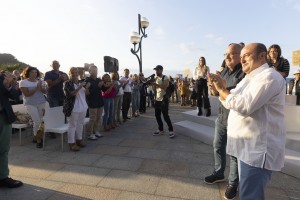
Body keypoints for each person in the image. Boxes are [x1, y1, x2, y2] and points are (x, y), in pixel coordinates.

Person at [210, 43, 286, 200]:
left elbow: (244, 106)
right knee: (247, 193)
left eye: (246, 55)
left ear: (262, 56)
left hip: (256, 151)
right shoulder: (249, 78)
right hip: (246, 148)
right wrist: (220, 88)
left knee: (250, 196)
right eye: (242, 55)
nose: (242, 59)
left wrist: (222, 90)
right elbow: (230, 102)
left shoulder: (269, 77)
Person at [205, 43, 245, 199]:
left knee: (234, 153)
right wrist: (213, 88)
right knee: (217, 145)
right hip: (221, 117)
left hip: (236, 120)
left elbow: (235, 96)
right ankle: (219, 172)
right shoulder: (225, 72)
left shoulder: (244, 73)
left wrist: (220, 88)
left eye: (231, 54)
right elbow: (219, 94)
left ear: (241, 56)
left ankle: (233, 182)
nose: (227, 57)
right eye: (225, 54)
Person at [0, 71, 23, 188]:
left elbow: (15, 96)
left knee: (3, 148)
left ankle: (3, 177)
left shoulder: (3, 78)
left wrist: (8, 86)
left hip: (3, 117)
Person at [19, 67, 47, 148]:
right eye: (32, 72)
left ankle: (36, 137)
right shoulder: (23, 82)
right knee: (37, 121)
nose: (34, 74)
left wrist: (41, 87)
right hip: (30, 104)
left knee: (41, 121)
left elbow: (45, 92)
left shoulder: (40, 81)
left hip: (41, 102)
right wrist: (37, 88)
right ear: (27, 73)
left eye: (35, 72)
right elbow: (27, 94)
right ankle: (38, 140)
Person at [63, 67, 88, 151]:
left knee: (80, 124)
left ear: (78, 73)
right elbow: (71, 94)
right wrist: (80, 87)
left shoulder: (81, 82)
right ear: (69, 74)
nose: (74, 74)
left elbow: (87, 93)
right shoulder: (67, 83)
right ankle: (71, 143)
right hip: (73, 108)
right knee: (72, 125)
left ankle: (79, 139)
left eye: (76, 72)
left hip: (83, 107)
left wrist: (87, 87)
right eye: (72, 72)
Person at [152, 65, 174, 138]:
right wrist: (153, 84)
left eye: (157, 70)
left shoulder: (165, 77)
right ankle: (160, 129)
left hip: (164, 99)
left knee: (165, 116)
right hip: (157, 99)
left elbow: (164, 87)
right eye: (155, 70)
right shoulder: (156, 78)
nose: (156, 71)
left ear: (161, 70)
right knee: (157, 115)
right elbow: (154, 90)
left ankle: (171, 130)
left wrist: (156, 84)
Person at [85, 65, 104, 140]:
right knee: (93, 118)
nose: (95, 72)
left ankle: (95, 131)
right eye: (93, 70)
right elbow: (88, 93)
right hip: (92, 102)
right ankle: (90, 133)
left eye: (96, 70)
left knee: (98, 118)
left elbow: (104, 89)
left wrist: (108, 85)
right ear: (89, 71)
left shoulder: (99, 80)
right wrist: (98, 87)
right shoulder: (87, 80)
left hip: (99, 101)